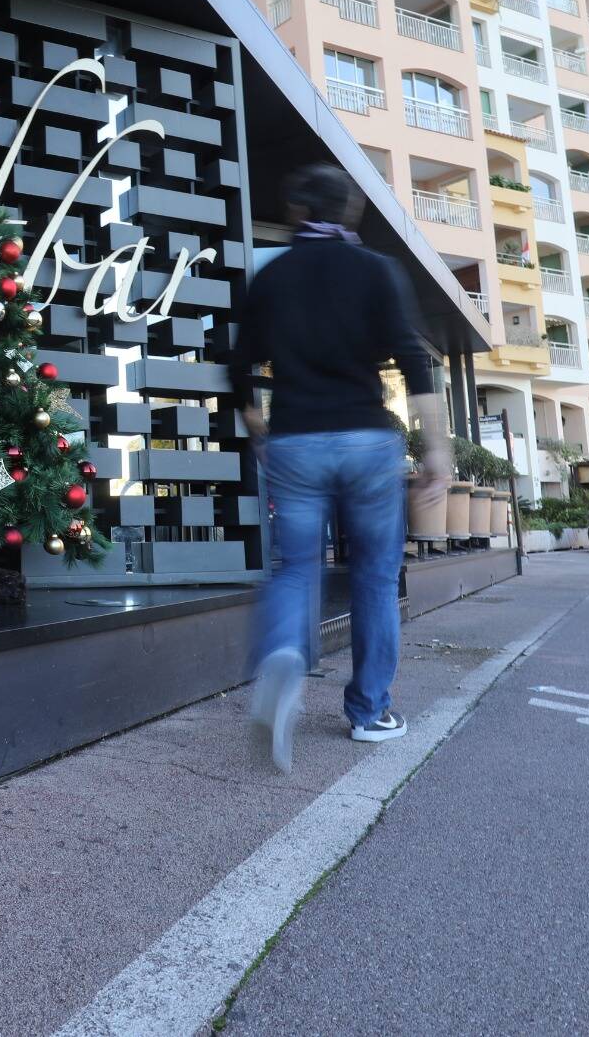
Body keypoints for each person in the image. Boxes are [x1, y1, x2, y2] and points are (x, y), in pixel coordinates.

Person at [229, 163, 452, 770]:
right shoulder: (378, 271)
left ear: (298, 210)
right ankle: (371, 711)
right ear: (349, 212)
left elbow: (239, 367)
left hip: (297, 442)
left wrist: (261, 436)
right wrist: (437, 451)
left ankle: (281, 658)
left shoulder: (270, 278)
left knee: (295, 568)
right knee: (376, 578)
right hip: (367, 442)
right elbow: (415, 362)